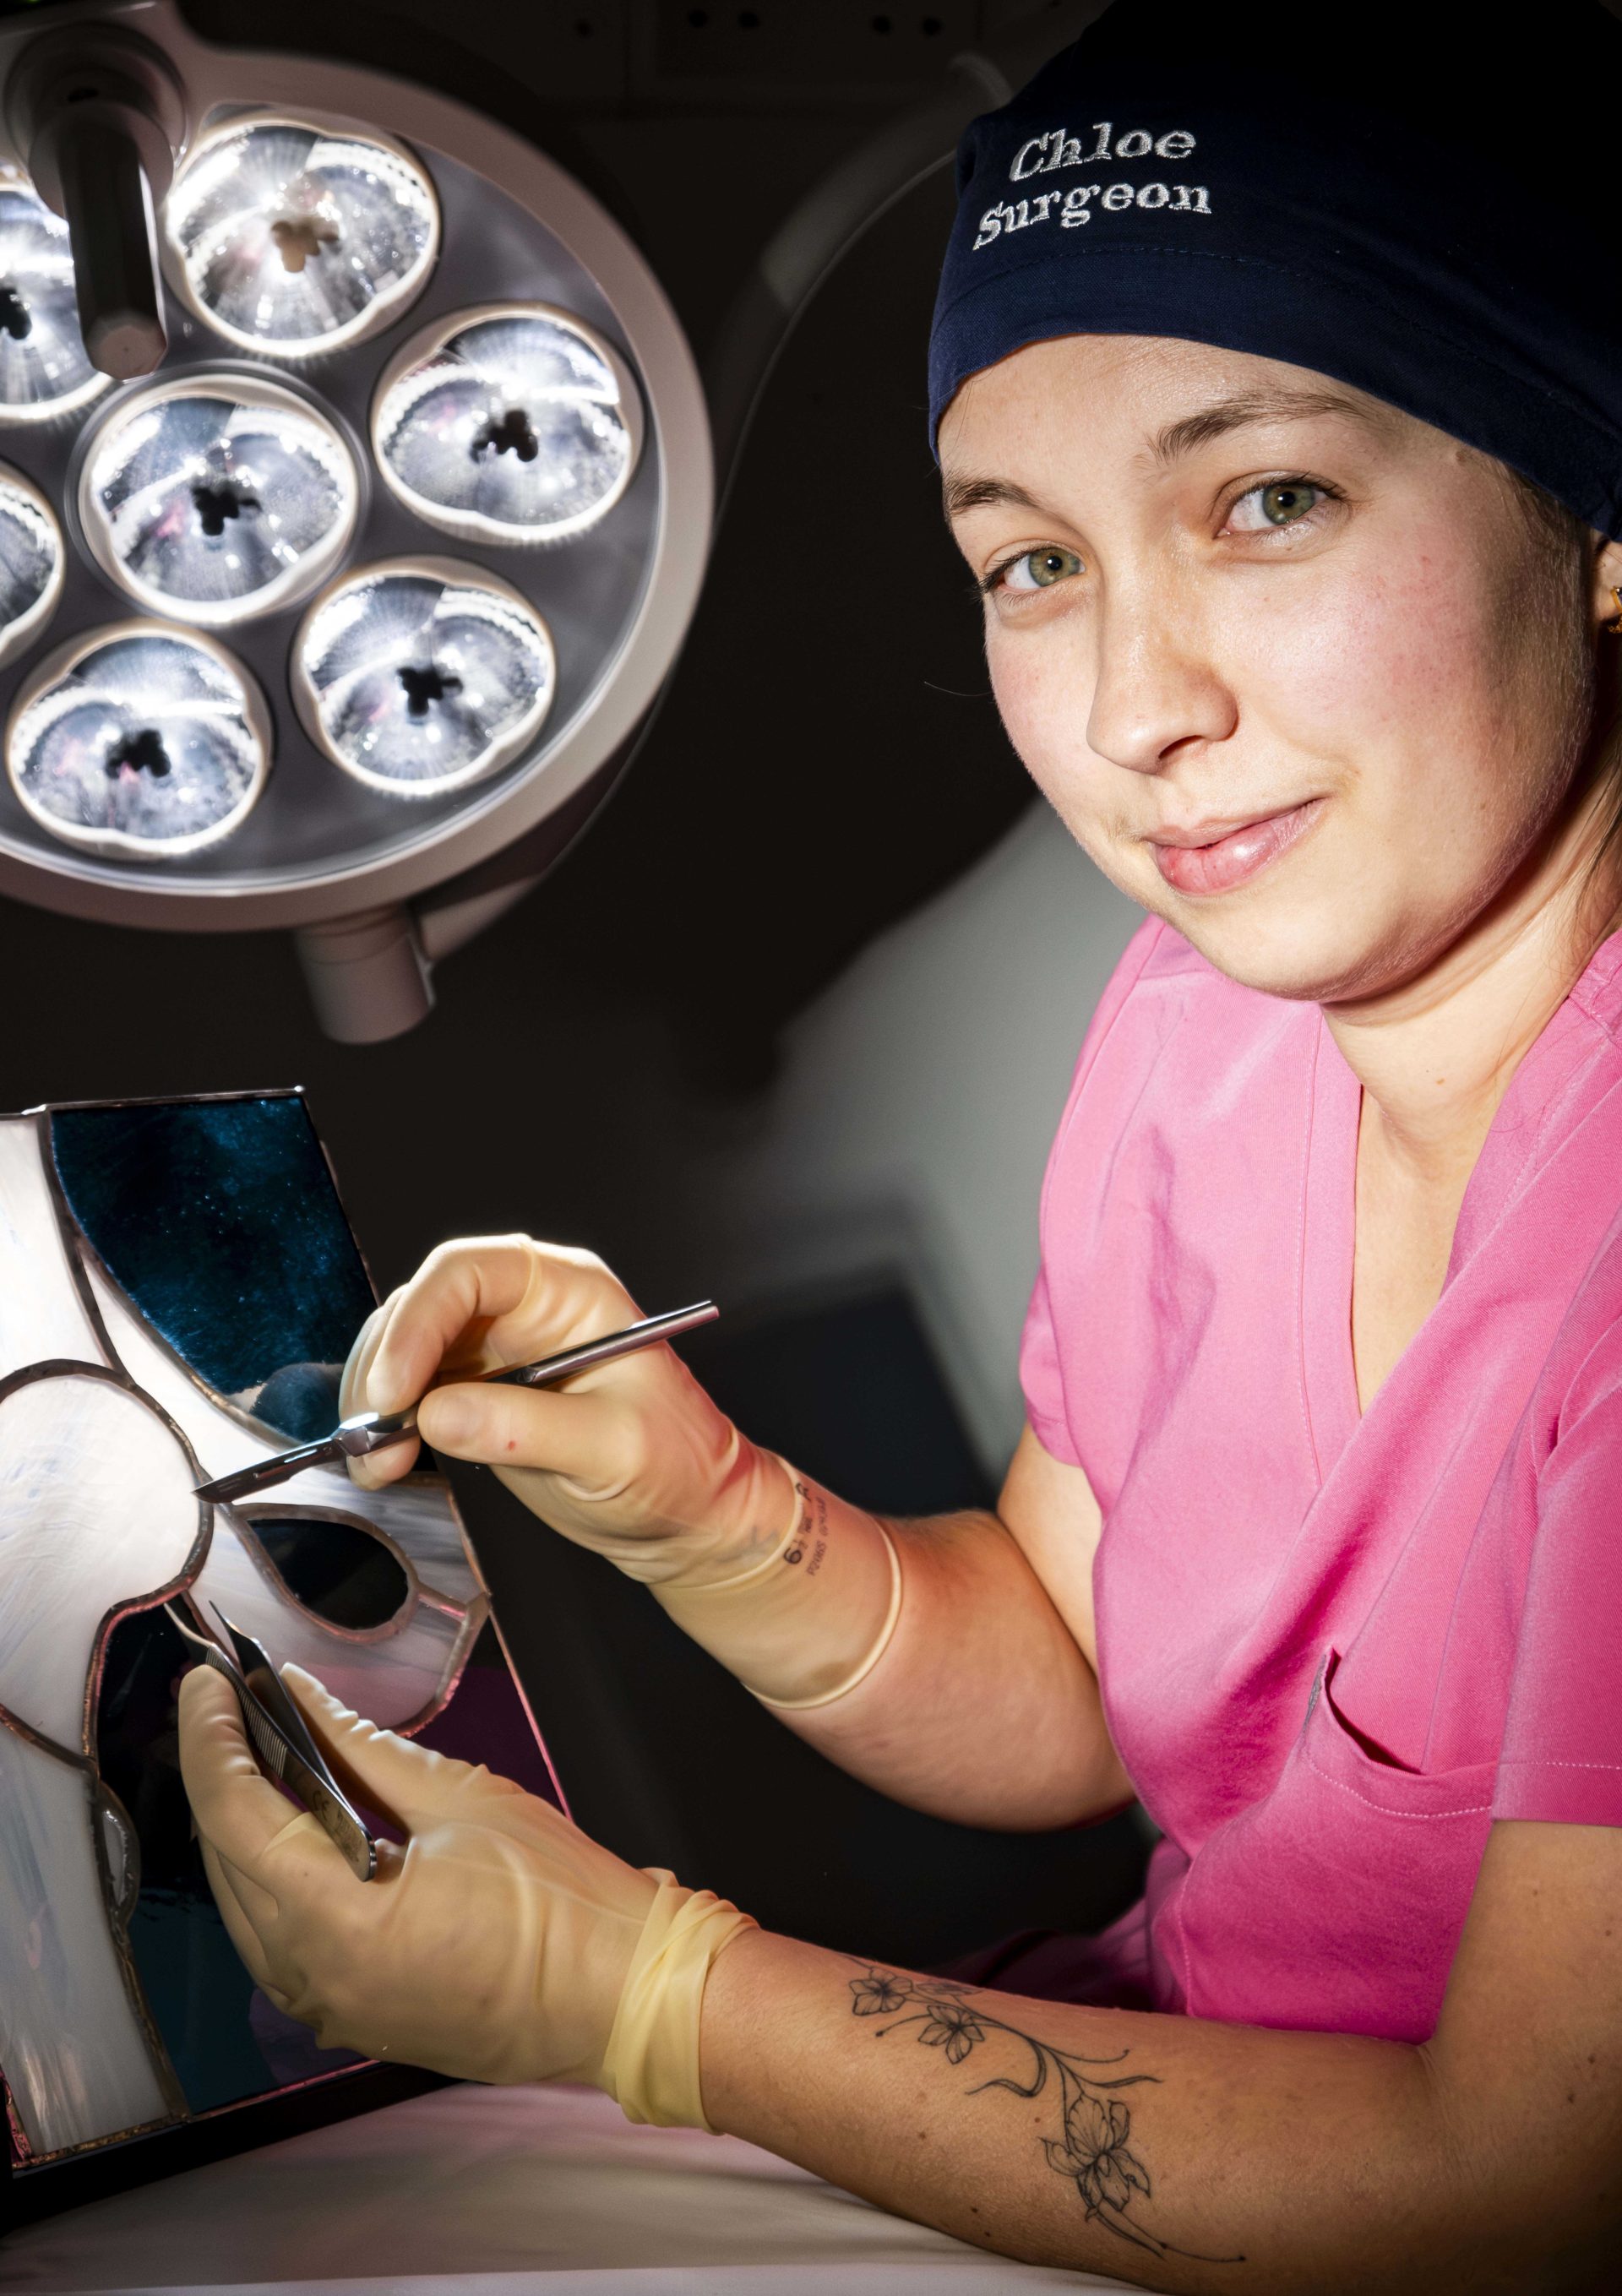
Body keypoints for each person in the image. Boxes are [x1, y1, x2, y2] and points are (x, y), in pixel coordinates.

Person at [178, 3, 1622, 2283]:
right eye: (1032, 562)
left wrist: (643, 1996)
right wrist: (710, 1509)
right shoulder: (1197, 1029)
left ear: (1595, 511)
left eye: (1270, 501)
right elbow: (1070, 1677)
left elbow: (1528, 2181)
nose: (1143, 709)